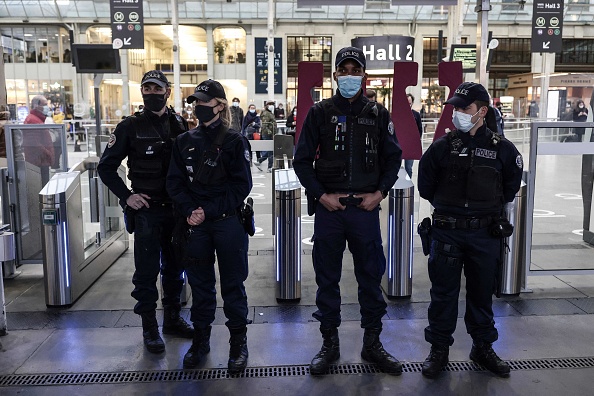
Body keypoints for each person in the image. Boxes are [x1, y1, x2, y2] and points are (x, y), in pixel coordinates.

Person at [293, 46, 403, 376]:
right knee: (328, 280)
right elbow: (301, 161)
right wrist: (321, 195)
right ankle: (330, 344)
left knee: (371, 278)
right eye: (345, 70)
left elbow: (393, 158)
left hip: (365, 211)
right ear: (335, 75)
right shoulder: (320, 112)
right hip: (330, 210)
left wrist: (379, 193)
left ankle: (372, 344)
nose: (350, 75)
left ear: (364, 75)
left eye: (357, 70)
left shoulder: (378, 113)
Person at [417, 82, 523, 379]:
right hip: (447, 232)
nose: (459, 114)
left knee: (481, 294)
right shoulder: (441, 148)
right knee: (443, 295)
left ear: (482, 111)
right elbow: (426, 186)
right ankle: (439, 350)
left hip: (484, 234)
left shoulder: (503, 149)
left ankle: (483, 347)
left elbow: (510, 188)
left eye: (465, 108)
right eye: (456, 108)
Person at [97, 70, 194, 354]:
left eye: (157, 88)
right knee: (146, 272)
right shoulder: (129, 126)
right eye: (146, 88)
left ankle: (173, 319)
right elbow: (106, 167)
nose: (151, 92)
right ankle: (150, 328)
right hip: (148, 213)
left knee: (176, 267)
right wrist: (128, 197)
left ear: (168, 91)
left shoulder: (180, 123)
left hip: (176, 211)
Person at [166, 79, 252, 373]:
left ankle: (238, 343)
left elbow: (242, 187)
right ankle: (200, 341)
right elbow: (174, 183)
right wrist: (191, 211)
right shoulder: (184, 141)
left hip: (228, 223)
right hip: (196, 226)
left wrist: (207, 210)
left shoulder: (234, 141)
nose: (198, 107)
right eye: (196, 102)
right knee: (201, 287)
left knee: (233, 286)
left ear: (220, 105)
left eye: (204, 102)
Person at [23, 95, 54, 184]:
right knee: (40, 187)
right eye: (45, 104)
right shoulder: (33, 120)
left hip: (40, 160)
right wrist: (48, 154)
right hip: (39, 162)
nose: (47, 107)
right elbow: (33, 143)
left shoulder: (36, 119)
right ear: (36, 106)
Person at [254, 101, 277, 172]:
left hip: (269, 133)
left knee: (270, 150)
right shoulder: (266, 114)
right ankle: (269, 167)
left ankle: (259, 161)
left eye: (273, 104)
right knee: (271, 151)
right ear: (267, 106)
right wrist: (271, 134)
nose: (272, 106)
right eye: (270, 104)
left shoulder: (270, 113)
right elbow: (265, 125)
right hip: (268, 134)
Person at [404, 93, 423, 178]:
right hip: (399, 143)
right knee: (395, 167)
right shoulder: (399, 114)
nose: (408, 105)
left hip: (410, 144)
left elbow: (420, 129)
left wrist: (416, 142)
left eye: (410, 103)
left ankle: (408, 186)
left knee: (408, 168)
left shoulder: (416, 115)